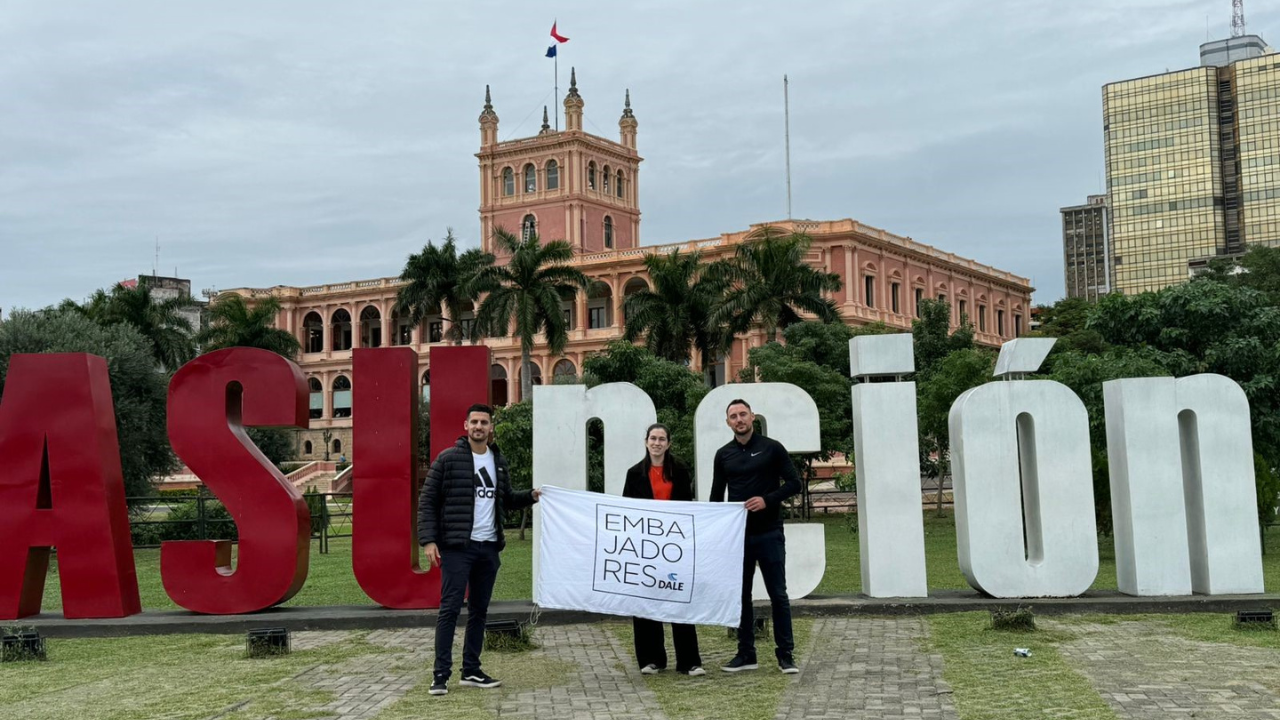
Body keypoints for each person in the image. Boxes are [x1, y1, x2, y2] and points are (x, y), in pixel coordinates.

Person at [418, 403, 540, 696]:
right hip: (458, 548)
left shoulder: (498, 461)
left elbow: (507, 499)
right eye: (474, 421)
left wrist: (532, 496)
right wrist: (428, 540)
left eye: (484, 422)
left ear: (491, 428)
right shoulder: (448, 459)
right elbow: (428, 500)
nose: (479, 427)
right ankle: (440, 674)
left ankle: (471, 670)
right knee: (449, 610)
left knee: (479, 612)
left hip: (488, 548)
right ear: (465, 425)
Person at [710, 398, 801, 674]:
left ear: (752, 417)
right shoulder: (723, 454)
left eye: (743, 414)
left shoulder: (772, 448)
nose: (739, 420)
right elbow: (716, 497)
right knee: (742, 596)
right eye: (733, 416)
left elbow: (795, 483)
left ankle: (785, 655)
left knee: (778, 595)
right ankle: (746, 654)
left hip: (770, 532)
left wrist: (767, 500)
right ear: (728, 423)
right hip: (739, 537)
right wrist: (714, 531)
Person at [622, 423, 705, 677]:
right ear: (646, 441)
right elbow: (627, 510)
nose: (657, 443)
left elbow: (686, 506)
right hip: (645, 548)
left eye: (662, 439)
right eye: (653, 438)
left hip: (674, 546)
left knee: (679, 597)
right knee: (647, 600)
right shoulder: (634, 473)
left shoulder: (680, 470)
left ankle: (689, 661)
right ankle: (652, 660)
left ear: (668, 443)